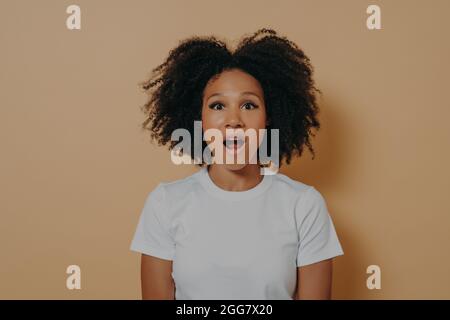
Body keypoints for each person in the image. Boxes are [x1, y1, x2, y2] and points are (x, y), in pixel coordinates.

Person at [130, 28, 344, 300]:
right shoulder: (165, 203)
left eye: (249, 105)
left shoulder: (304, 205)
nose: (234, 120)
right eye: (218, 106)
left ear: (269, 116)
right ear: (200, 118)